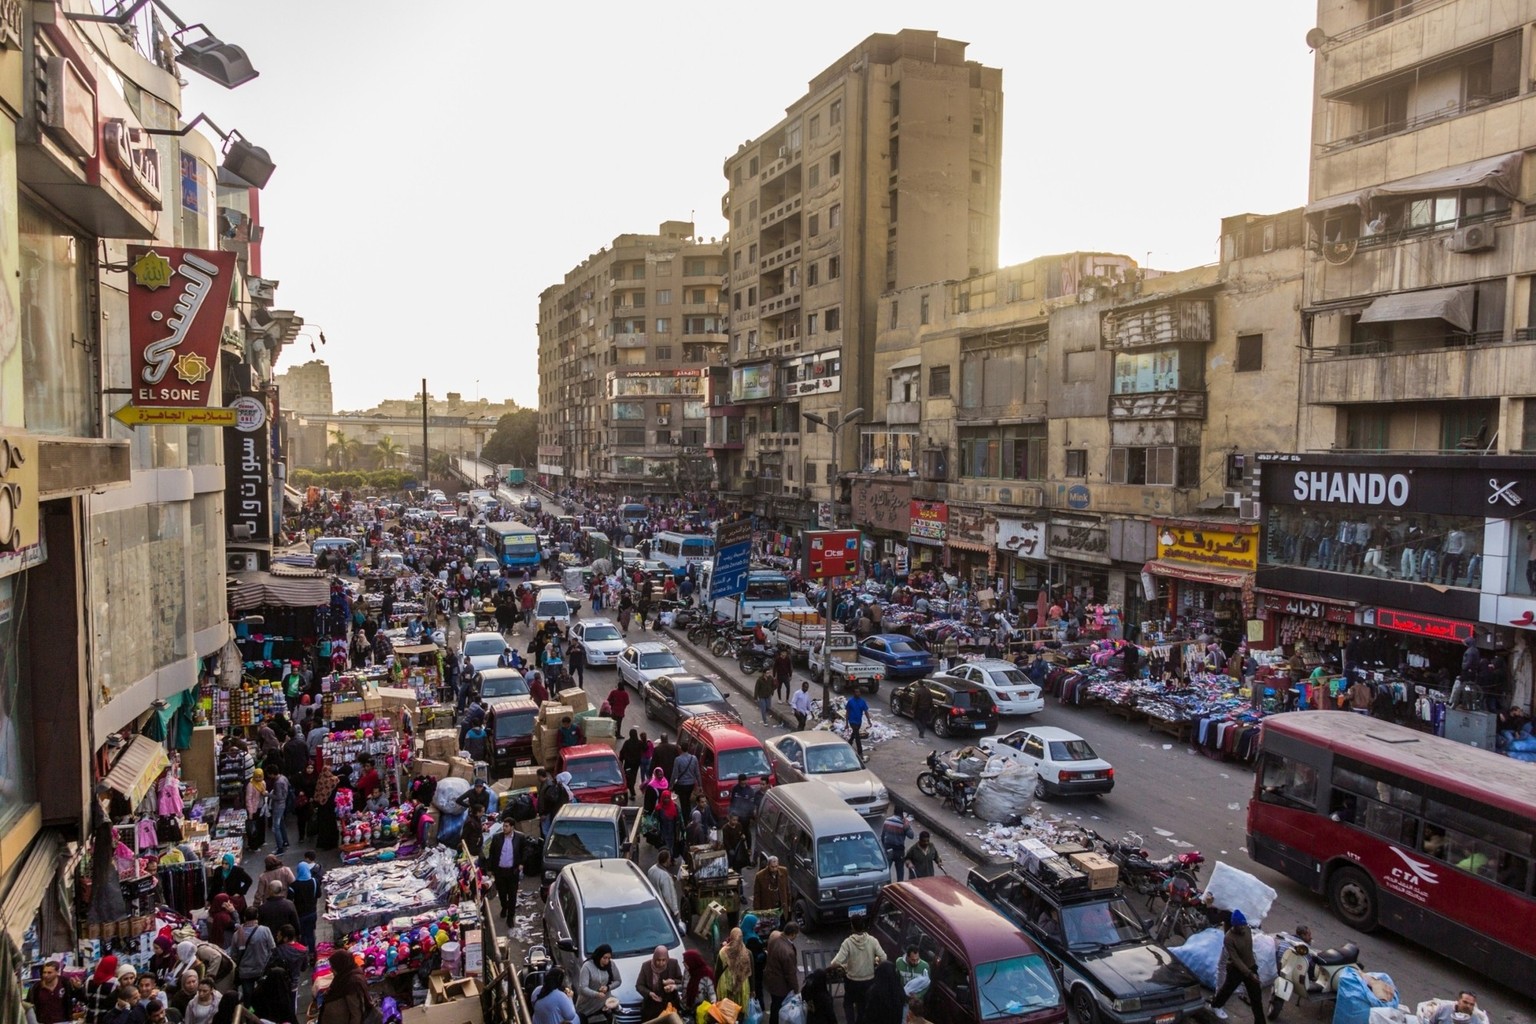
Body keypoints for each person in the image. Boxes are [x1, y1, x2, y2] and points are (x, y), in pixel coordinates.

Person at [1206, 909, 1266, 1024]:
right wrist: (1249, 973)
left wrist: (1253, 968)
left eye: (1244, 925)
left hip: (1250, 966)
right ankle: (1215, 1005)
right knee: (1227, 990)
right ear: (1234, 926)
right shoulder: (1229, 938)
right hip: (1236, 969)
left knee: (1256, 998)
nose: (1243, 928)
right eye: (1240, 926)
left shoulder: (1247, 929)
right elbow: (1236, 959)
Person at [830, 914, 884, 1024]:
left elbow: (835, 963)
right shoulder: (872, 941)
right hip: (869, 981)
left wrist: (843, 966)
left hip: (852, 981)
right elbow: (884, 957)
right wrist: (876, 962)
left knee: (848, 1003)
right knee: (862, 1006)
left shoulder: (848, 943)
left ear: (852, 927)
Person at [229, 907, 275, 1004]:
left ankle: (250, 1014)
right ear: (257, 916)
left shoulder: (237, 935)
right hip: (262, 969)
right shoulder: (265, 930)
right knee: (263, 995)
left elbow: (233, 954)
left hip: (245, 972)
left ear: (245, 918)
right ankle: (261, 1014)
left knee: (248, 997)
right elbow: (272, 948)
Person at [317, 950, 371, 1024]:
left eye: (333, 966)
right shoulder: (344, 976)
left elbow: (357, 1013)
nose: (331, 970)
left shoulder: (353, 983)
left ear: (341, 965)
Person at [763, 922, 801, 1024]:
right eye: (796, 934)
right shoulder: (787, 952)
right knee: (779, 1006)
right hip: (780, 985)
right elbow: (790, 974)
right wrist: (796, 989)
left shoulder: (774, 937)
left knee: (774, 1005)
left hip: (770, 979)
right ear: (792, 934)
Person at [634, 946, 684, 1023]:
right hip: (651, 1007)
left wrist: (672, 982)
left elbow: (681, 981)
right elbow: (639, 985)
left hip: (670, 1005)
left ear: (667, 958)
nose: (661, 963)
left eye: (664, 960)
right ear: (654, 958)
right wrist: (649, 993)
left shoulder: (673, 964)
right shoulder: (646, 966)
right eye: (658, 960)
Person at [576, 945, 621, 1024]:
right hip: (588, 1006)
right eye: (604, 958)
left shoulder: (611, 965)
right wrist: (596, 994)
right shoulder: (587, 966)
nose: (606, 961)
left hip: (604, 1006)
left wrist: (608, 987)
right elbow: (583, 988)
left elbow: (618, 981)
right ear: (599, 956)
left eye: (609, 958)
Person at [488, 818, 521, 922]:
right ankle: (504, 907)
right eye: (504, 826)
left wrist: (521, 864)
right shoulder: (497, 838)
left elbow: (525, 851)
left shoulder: (520, 838)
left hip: (512, 872)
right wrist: (490, 869)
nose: (504, 828)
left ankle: (510, 917)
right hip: (500, 872)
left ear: (512, 827)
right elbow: (492, 854)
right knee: (502, 894)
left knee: (512, 895)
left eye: (507, 826)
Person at [28, 959, 80, 1024]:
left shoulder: (65, 983)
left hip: (63, 1021)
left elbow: (80, 999)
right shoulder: (35, 988)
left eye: (49, 972)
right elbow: (29, 1007)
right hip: (42, 1021)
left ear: (57, 972)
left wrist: (78, 988)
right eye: (44, 972)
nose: (46, 975)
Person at [290, 862, 321, 964]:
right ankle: (312, 954)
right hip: (312, 912)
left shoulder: (293, 886)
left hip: (299, 914)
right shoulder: (314, 882)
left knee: (302, 935)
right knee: (311, 933)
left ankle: (303, 956)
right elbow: (319, 895)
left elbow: (290, 900)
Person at [715, 928, 752, 1012]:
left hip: (725, 985)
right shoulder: (747, 953)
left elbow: (718, 971)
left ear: (731, 937)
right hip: (742, 986)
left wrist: (715, 985)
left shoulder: (722, 952)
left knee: (726, 1011)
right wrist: (752, 989)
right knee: (739, 1010)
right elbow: (751, 973)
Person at [647, 850, 681, 923]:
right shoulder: (665, 877)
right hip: (664, 909)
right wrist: (675, 910)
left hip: (654, 905)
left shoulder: (651, 869)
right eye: (669, 859)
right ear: (666, 860)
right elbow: (667, 897)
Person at [881, 813, 915, 882]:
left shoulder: (887, 821)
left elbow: (882, 836)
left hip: (888, 850)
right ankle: (899, 885)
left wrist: (885, 847)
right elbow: (911, 836)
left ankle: (887, 885)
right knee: (900, 872)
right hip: (899, 851)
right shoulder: (904, 824)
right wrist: (907, 826)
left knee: (887, 870)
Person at [670, 743, 701, 814]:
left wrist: (671, 785)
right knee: (688, 800)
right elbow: (697, 773)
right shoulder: (694, 758)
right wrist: (700, 785)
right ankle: (689, 815)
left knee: (683, 802)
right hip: (691, 784)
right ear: (688, 749)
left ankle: (685, 818)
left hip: (681, 784)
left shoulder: (677, 759)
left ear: (681, 749)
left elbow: (674, 774)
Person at [244, 770, 269, 850]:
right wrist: (250, 812)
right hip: (254, 809)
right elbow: (248, 799)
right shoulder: (251, 785)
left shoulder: (263, 783)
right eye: (256, 777)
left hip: (261, 807)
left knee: (261, 825)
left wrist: (265, 793)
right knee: (254, 828)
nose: (258, 778)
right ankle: (253, 846)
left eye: (260, 776)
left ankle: (261, 841)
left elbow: (265, 792)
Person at [619, 729, 645, 797]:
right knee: (633, 776)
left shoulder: (627, 743)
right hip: (636, 764)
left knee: (627, 776)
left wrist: (621, 761)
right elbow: (645, 748)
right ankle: (631, 789)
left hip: (628, 763)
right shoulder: (639, 742)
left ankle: (630, 790)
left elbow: (622, 752)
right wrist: (644, 739)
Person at [844, 692, 869, 760]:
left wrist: (869, 720)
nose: (858, 693)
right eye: (856, 692)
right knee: (857, 737)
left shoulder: (862, 702)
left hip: (859, 722)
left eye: (859, 692)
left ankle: (849, 743)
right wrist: (846, 723)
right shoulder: (850, 702)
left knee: (854, 734)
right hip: (852, 721)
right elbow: (847, 712)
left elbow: (866, 711)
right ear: (854, 693)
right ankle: (860, 752)